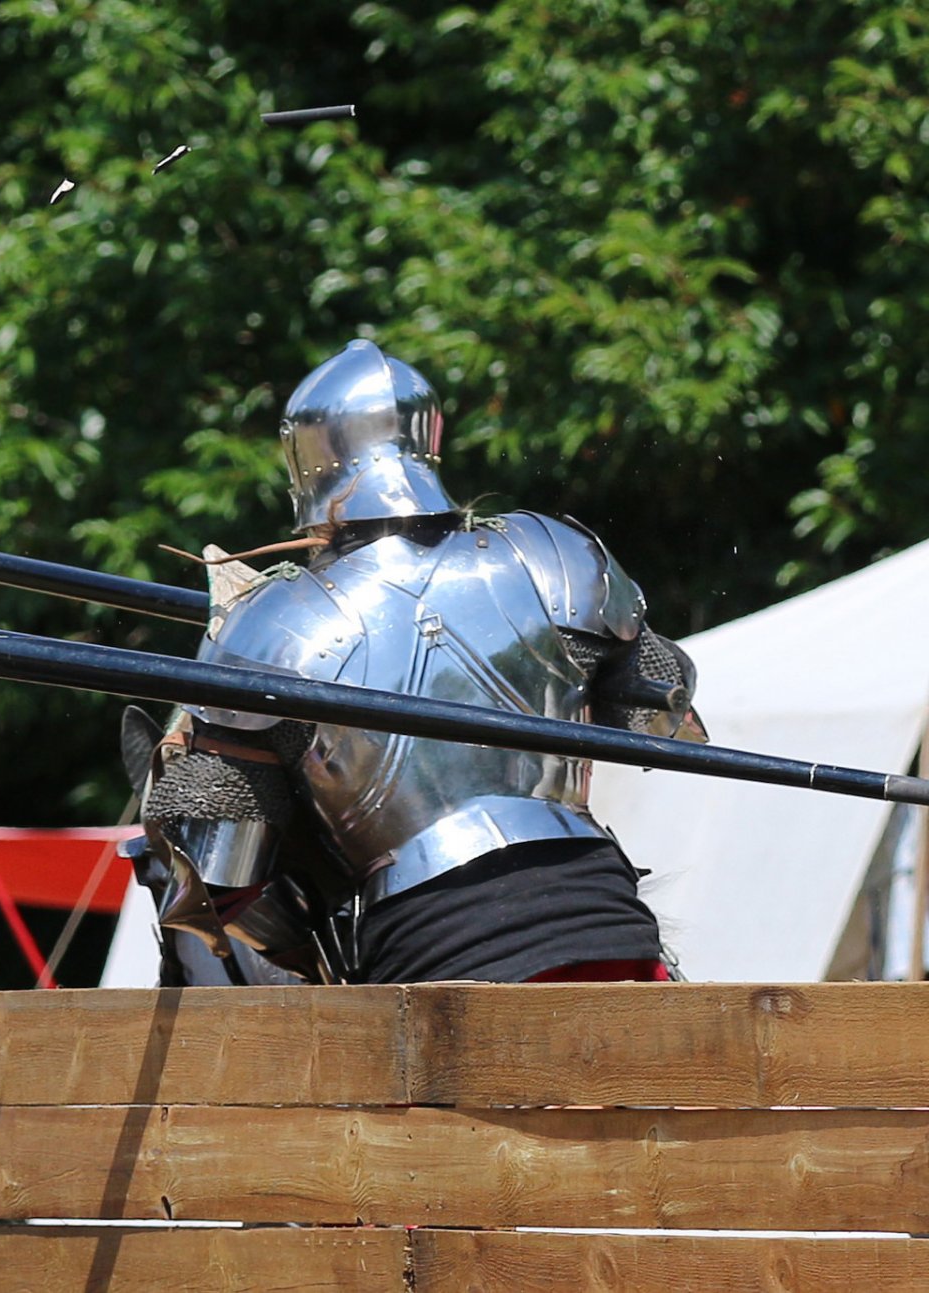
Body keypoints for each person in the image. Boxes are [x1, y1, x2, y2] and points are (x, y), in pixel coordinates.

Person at [134, 339, 702, 987]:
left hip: (436, 952)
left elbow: (218, 883)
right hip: (610, 923)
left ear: (305, 460)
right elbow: (663, 715)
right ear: (425, 436)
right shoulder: (551, 555)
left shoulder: (270, 627)